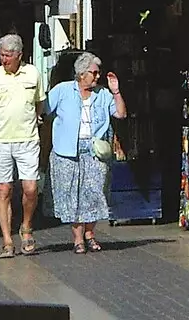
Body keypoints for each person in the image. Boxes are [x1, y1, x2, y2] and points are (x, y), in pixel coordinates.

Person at [47, 52, 126, 253]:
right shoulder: (63, 90)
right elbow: (44, 111)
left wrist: (116, 91)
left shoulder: (103, 94)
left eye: (98, 73)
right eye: (94, 73)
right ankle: (78, 238)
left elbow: (121, 113)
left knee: (94, 192)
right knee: (72, 195)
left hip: (94, 151)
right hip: (66, 152)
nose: (97, 76)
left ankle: (90, 234)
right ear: (81, 73)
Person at [0, 32, 46, 258]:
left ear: (20, 55)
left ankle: (26, 226)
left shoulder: (33, 74)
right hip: (0, 140)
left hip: (27, 139)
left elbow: (39, 103)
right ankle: (7, 240)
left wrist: (31, 122)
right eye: (1, 55)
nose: (4, 59)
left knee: (30, 188)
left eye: (8, 55)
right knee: (4, 189)